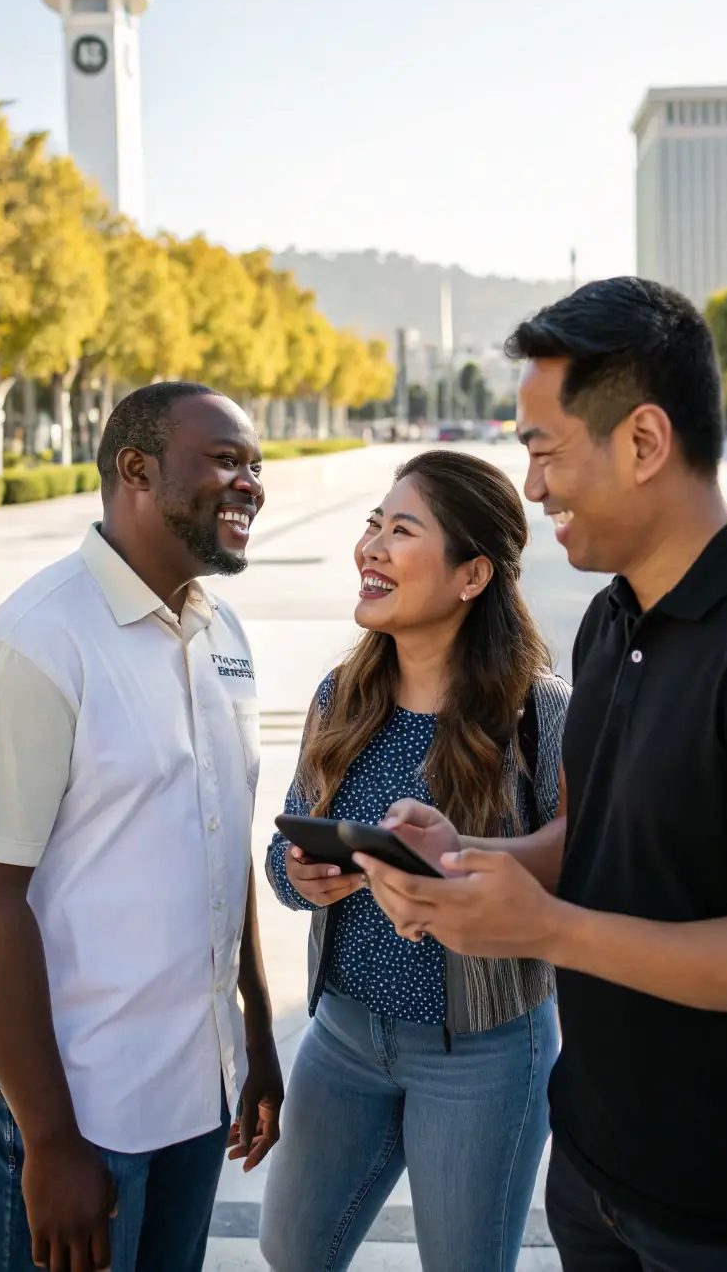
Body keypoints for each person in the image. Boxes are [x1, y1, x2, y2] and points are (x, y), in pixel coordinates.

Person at [356, 278, 727, 1272]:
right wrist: (472, 855)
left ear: (643, 443)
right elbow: (603, 840)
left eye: (543, 448)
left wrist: (546, 929)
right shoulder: (611, 621)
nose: (530, 487)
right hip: (596, 1173)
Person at [0, 382, 284, 1272]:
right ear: (136, 468)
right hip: (79, 1113)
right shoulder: (34, 643)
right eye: (226, 460)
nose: (251, 483)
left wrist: (253, 1032)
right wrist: (49, 1140)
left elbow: (223, 834)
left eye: (256, 465)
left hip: (197, 1101)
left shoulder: (221, 630)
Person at [259, 448, 570, 1272]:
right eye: (373, 523)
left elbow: (586, 866)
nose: (372, 546)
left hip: (485, 1051)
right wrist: (296, 874)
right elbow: (281, 850)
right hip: (344, 1033)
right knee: (290, 1247)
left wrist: (461, 864)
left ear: (471, 575)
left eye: (402, 529)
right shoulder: (337, 695)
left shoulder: (539, 714)